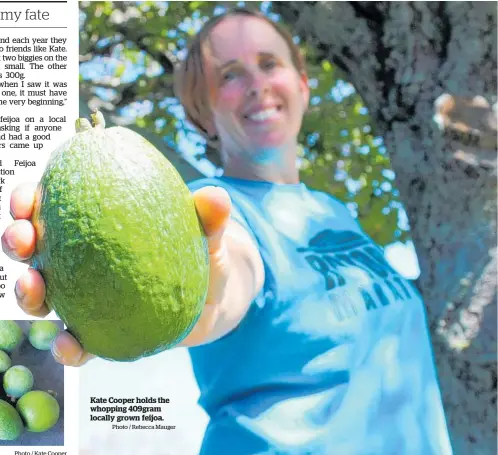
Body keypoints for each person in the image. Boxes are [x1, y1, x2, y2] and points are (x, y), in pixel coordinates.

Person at [2, 7, 453, 455]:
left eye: (270, 63)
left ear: (301, 83)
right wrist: (203, 296)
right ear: (202, 112)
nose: (257, 84)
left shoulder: (330, 210)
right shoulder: (205, 206)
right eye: (231, 75)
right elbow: (226, 273)